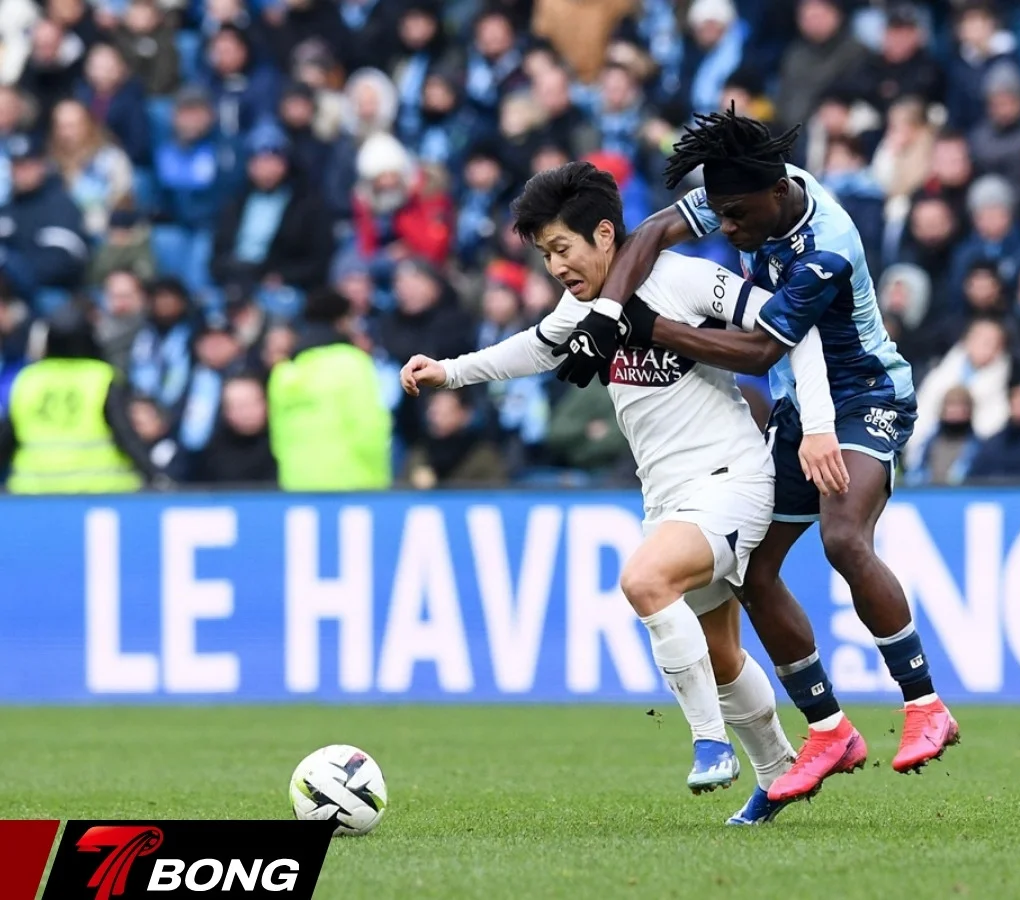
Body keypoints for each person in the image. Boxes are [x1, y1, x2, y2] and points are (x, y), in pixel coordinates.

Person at [400, 161, 837, 825]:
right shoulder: (582, 311)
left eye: (561, 249)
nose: (555, 267)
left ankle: (709, 742)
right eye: (545, 255)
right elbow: (533, 348)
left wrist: (820, 427)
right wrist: (449, 373)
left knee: (644, 580)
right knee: (719, 653)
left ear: (605, 234)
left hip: (732, 479)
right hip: (667, 498)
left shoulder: (685, 278)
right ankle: (778, 772)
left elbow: (788, 327)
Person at [549, 107, 959, 802]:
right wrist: (606, 317)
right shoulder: (752, 190)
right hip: (803, 409)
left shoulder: (823, 246)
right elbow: (653, 231)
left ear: (776, 198)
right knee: (754, 572)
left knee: (842, 538)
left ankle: (924, 705)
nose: (728, 231)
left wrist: (650, 325)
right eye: (722, 216)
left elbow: (763, 348)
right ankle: (828, 728)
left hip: (866, 398)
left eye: (737, 219)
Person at [0, 302, 157, 492]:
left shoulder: (27, 379)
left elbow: (6, 438)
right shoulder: (101, 377)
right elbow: (126, 435)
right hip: (101, 492)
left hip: (34, 492)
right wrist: (156, 477)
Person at [267, 288, 391, 491]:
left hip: (297, 486)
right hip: (355, 486)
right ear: (342, 322)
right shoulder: (353, 363)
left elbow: (278, 442)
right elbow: (370, 427)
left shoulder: (284, 373)